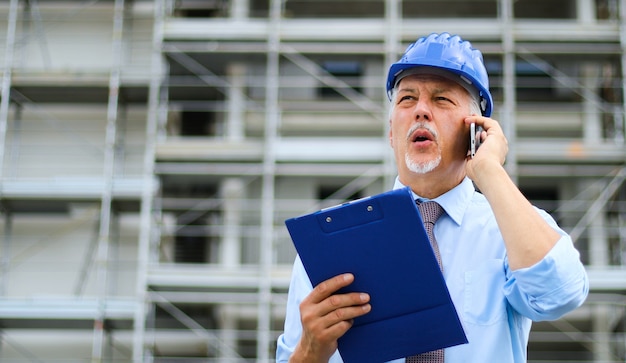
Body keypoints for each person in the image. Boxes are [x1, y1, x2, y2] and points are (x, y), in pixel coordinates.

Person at [276, 32, 589, 363]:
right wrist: (309, 351)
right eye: (407, 99)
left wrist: (489, 170)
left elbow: (561, 294)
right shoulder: (333, 241)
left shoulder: (510, 229)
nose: (421, 110)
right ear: (391, 131)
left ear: (477, 130)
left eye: (442, 100)